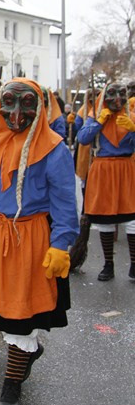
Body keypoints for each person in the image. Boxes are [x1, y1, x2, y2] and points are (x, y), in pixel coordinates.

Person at [0, 78, 78, 405]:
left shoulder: (53, 148)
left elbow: (65, 204)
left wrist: (61, 244)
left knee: (22, 315)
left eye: (27, 104)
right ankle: (27, 352)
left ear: (39, 107)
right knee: (2, 311)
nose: (17, 112)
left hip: (31, 238)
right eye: (9, 102)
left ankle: (12, 383)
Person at [77, 81, 135, 281]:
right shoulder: (95, 116)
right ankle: (108, 264)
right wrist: (99, 121)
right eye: (112, 94)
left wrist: (134, 129)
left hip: (127, 169)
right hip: (102, 169)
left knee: (132, 219)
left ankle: (134, 265)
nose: (117, 99)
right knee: (105, 219)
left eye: (121, 94)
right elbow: (83, 138)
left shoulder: (131, 116)